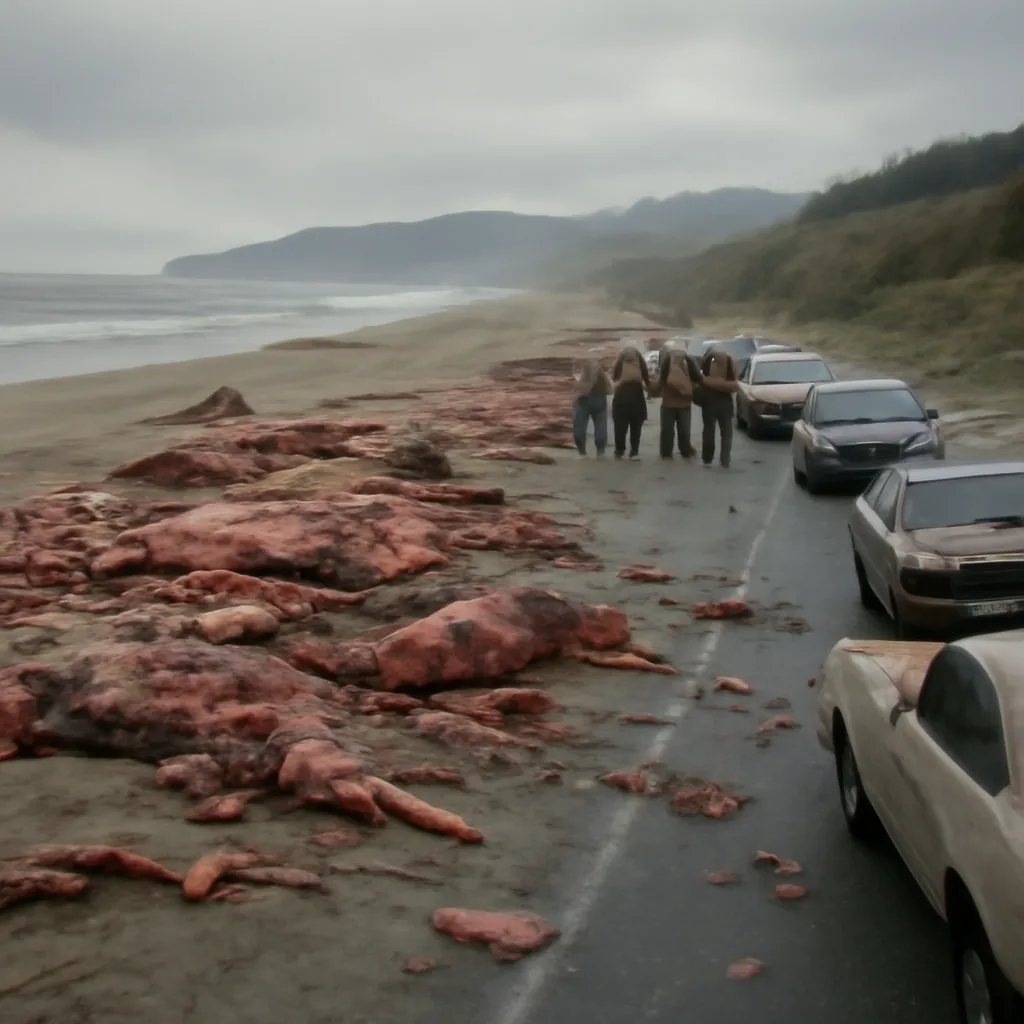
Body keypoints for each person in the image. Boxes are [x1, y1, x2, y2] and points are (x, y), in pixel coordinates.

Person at [650, 343, 703, 460]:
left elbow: (661, 382)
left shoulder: (681, 364)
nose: (677, 356)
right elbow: (699, 379)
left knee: (671, 430)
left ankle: (669, 452)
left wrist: (652, 389)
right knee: (679, 430)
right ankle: (680, 451)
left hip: (675, 404)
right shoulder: (683, 364)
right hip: (676, 403)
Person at [699, 347, 739, 468]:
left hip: (709, 401)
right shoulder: (729, 362)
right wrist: (724, 384)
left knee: (708, 431)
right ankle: (725, 459)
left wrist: (711, 383)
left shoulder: (708, 360)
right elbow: (735, 383)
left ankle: (707, 459)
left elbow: (702, 379)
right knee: (726, 433)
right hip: (725, 402)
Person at [611, 342, 650, 460]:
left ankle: (619, 451)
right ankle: (634, 452)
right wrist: (650, 390)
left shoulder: (621, 358)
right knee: (636, 425)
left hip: (621, 393)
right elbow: (646, 376)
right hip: (636, 393)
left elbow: (614, 376)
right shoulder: (640, 359)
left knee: (620, 426)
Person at [572, 352, 611, 456]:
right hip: (599, 400)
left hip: (583, 401)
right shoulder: (600, 372)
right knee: (601, 427)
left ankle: (582, 452)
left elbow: (577, 388)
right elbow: (609, 388)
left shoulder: (583, 372)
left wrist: (575, 398)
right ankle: (600, 452)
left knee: (579, 427)